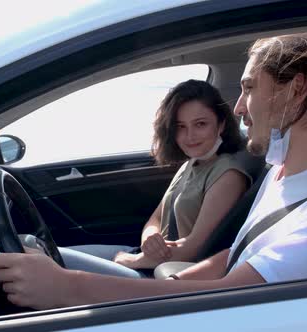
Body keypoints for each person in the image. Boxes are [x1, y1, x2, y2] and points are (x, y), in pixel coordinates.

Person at [0, 33, 307, 310]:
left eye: (249, 88)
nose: (238, 108)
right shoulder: (283, 172)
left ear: (296, 89)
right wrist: (178, 281)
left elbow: (231, 300)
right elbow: (243, 254)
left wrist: (68, 289)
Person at [61, 79, 260, 277]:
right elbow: (155, 219)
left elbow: (194, 249)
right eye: (180, 126)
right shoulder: (191, 163)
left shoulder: (228, 175)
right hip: (148, 259)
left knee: (57, 263)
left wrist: (131, 260)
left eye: (200, 124)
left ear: (221, 124)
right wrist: (150, 239)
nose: (189, 136)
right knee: (53, 253)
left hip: (165, 275)